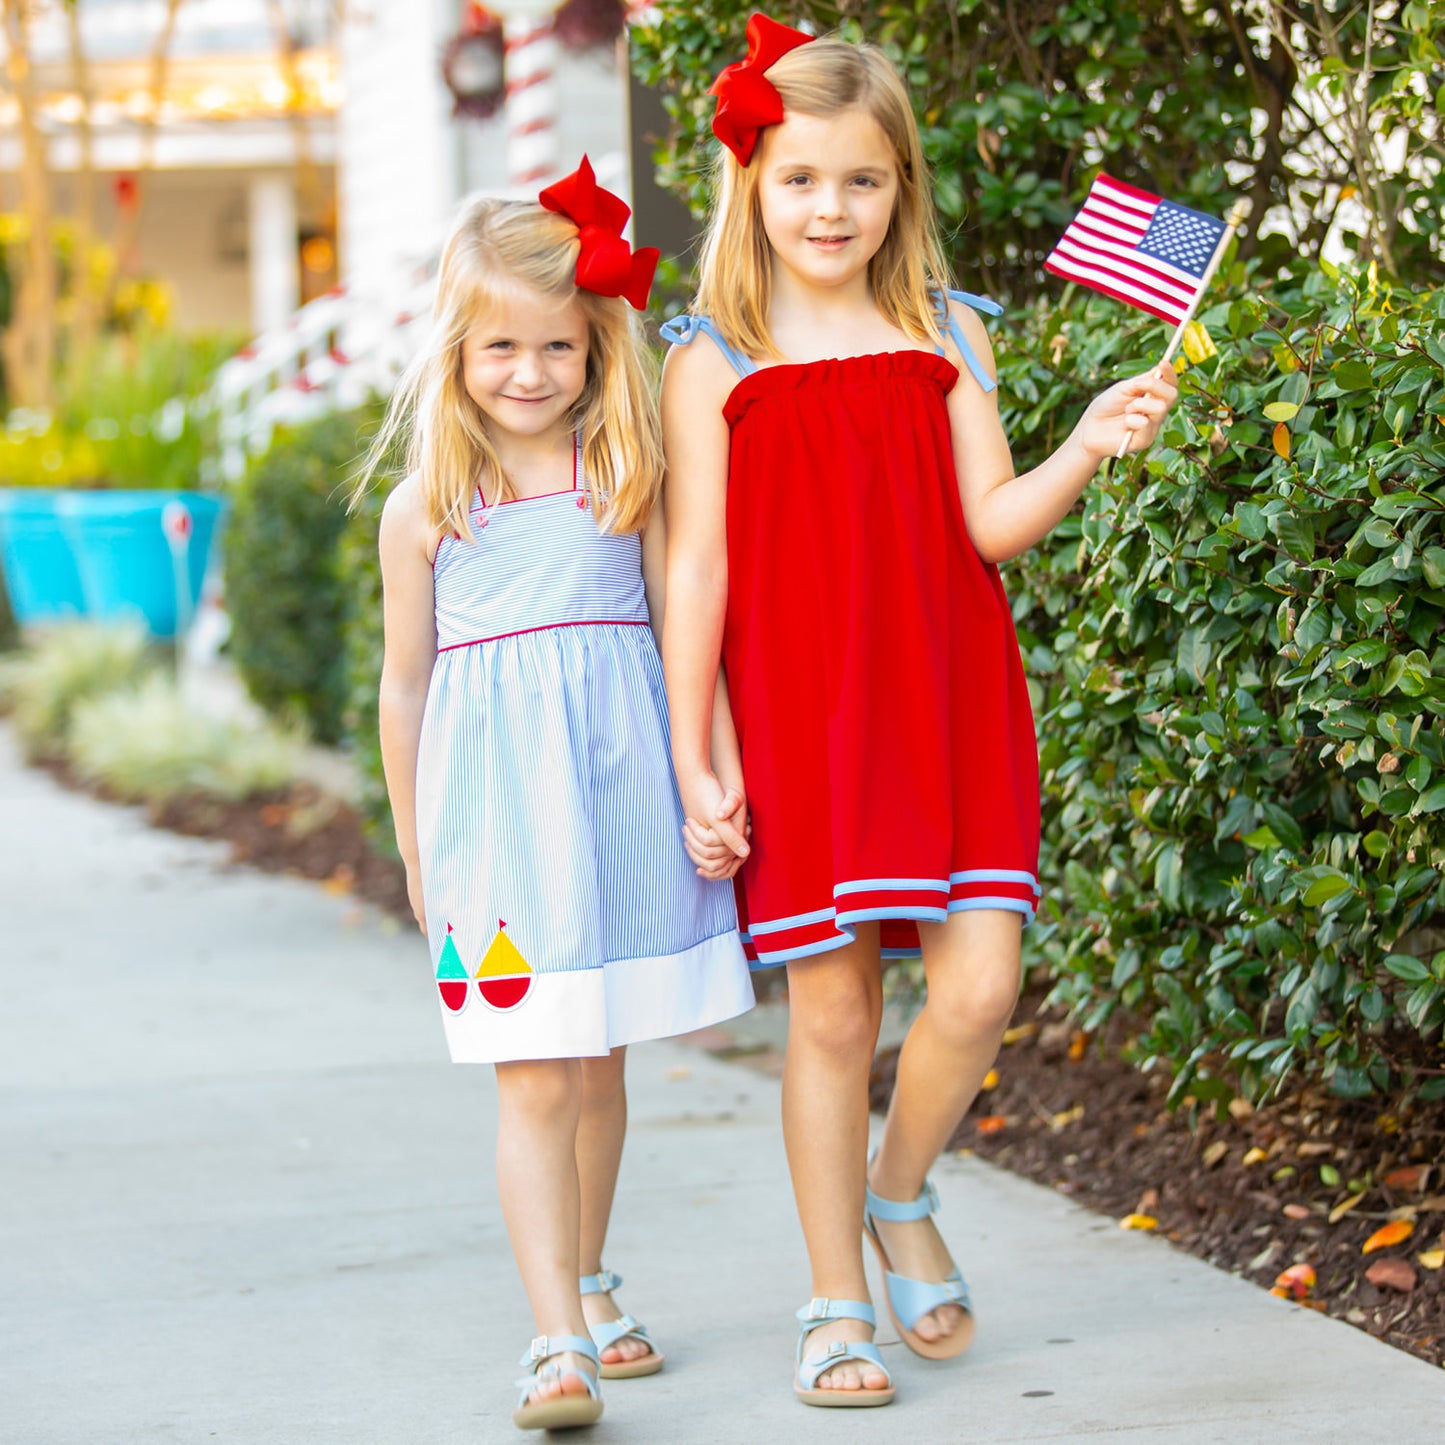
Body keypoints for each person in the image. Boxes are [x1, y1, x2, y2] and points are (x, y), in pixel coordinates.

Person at [660, 16, 1178, 1409]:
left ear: (902, 189)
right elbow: (695, 573)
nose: (831, 208)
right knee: (830, 1018)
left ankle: (900, 1192)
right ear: (751, 186)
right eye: (801, 180)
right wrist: (695, 756)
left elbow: (993, 524)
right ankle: (834, 1302)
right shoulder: (716, 356)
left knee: (980, 985)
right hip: (801, 719)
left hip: (946, 703)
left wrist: (1085, 438)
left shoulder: (945, 330)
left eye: (863, 181)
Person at [363, 157, 754, 1432]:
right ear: (454, 351)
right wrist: (418, 847)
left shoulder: (626, 474)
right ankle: (554, 1342)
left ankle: (587, 1277)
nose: (529, 372)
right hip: (492, 828)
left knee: (594, 1062)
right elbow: (405, 688)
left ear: (596, 348)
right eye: (499, 349)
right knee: (529, 1071)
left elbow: (686, 632)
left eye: (557, 347)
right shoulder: (429, 508)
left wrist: (712, 773)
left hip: (622, 803)